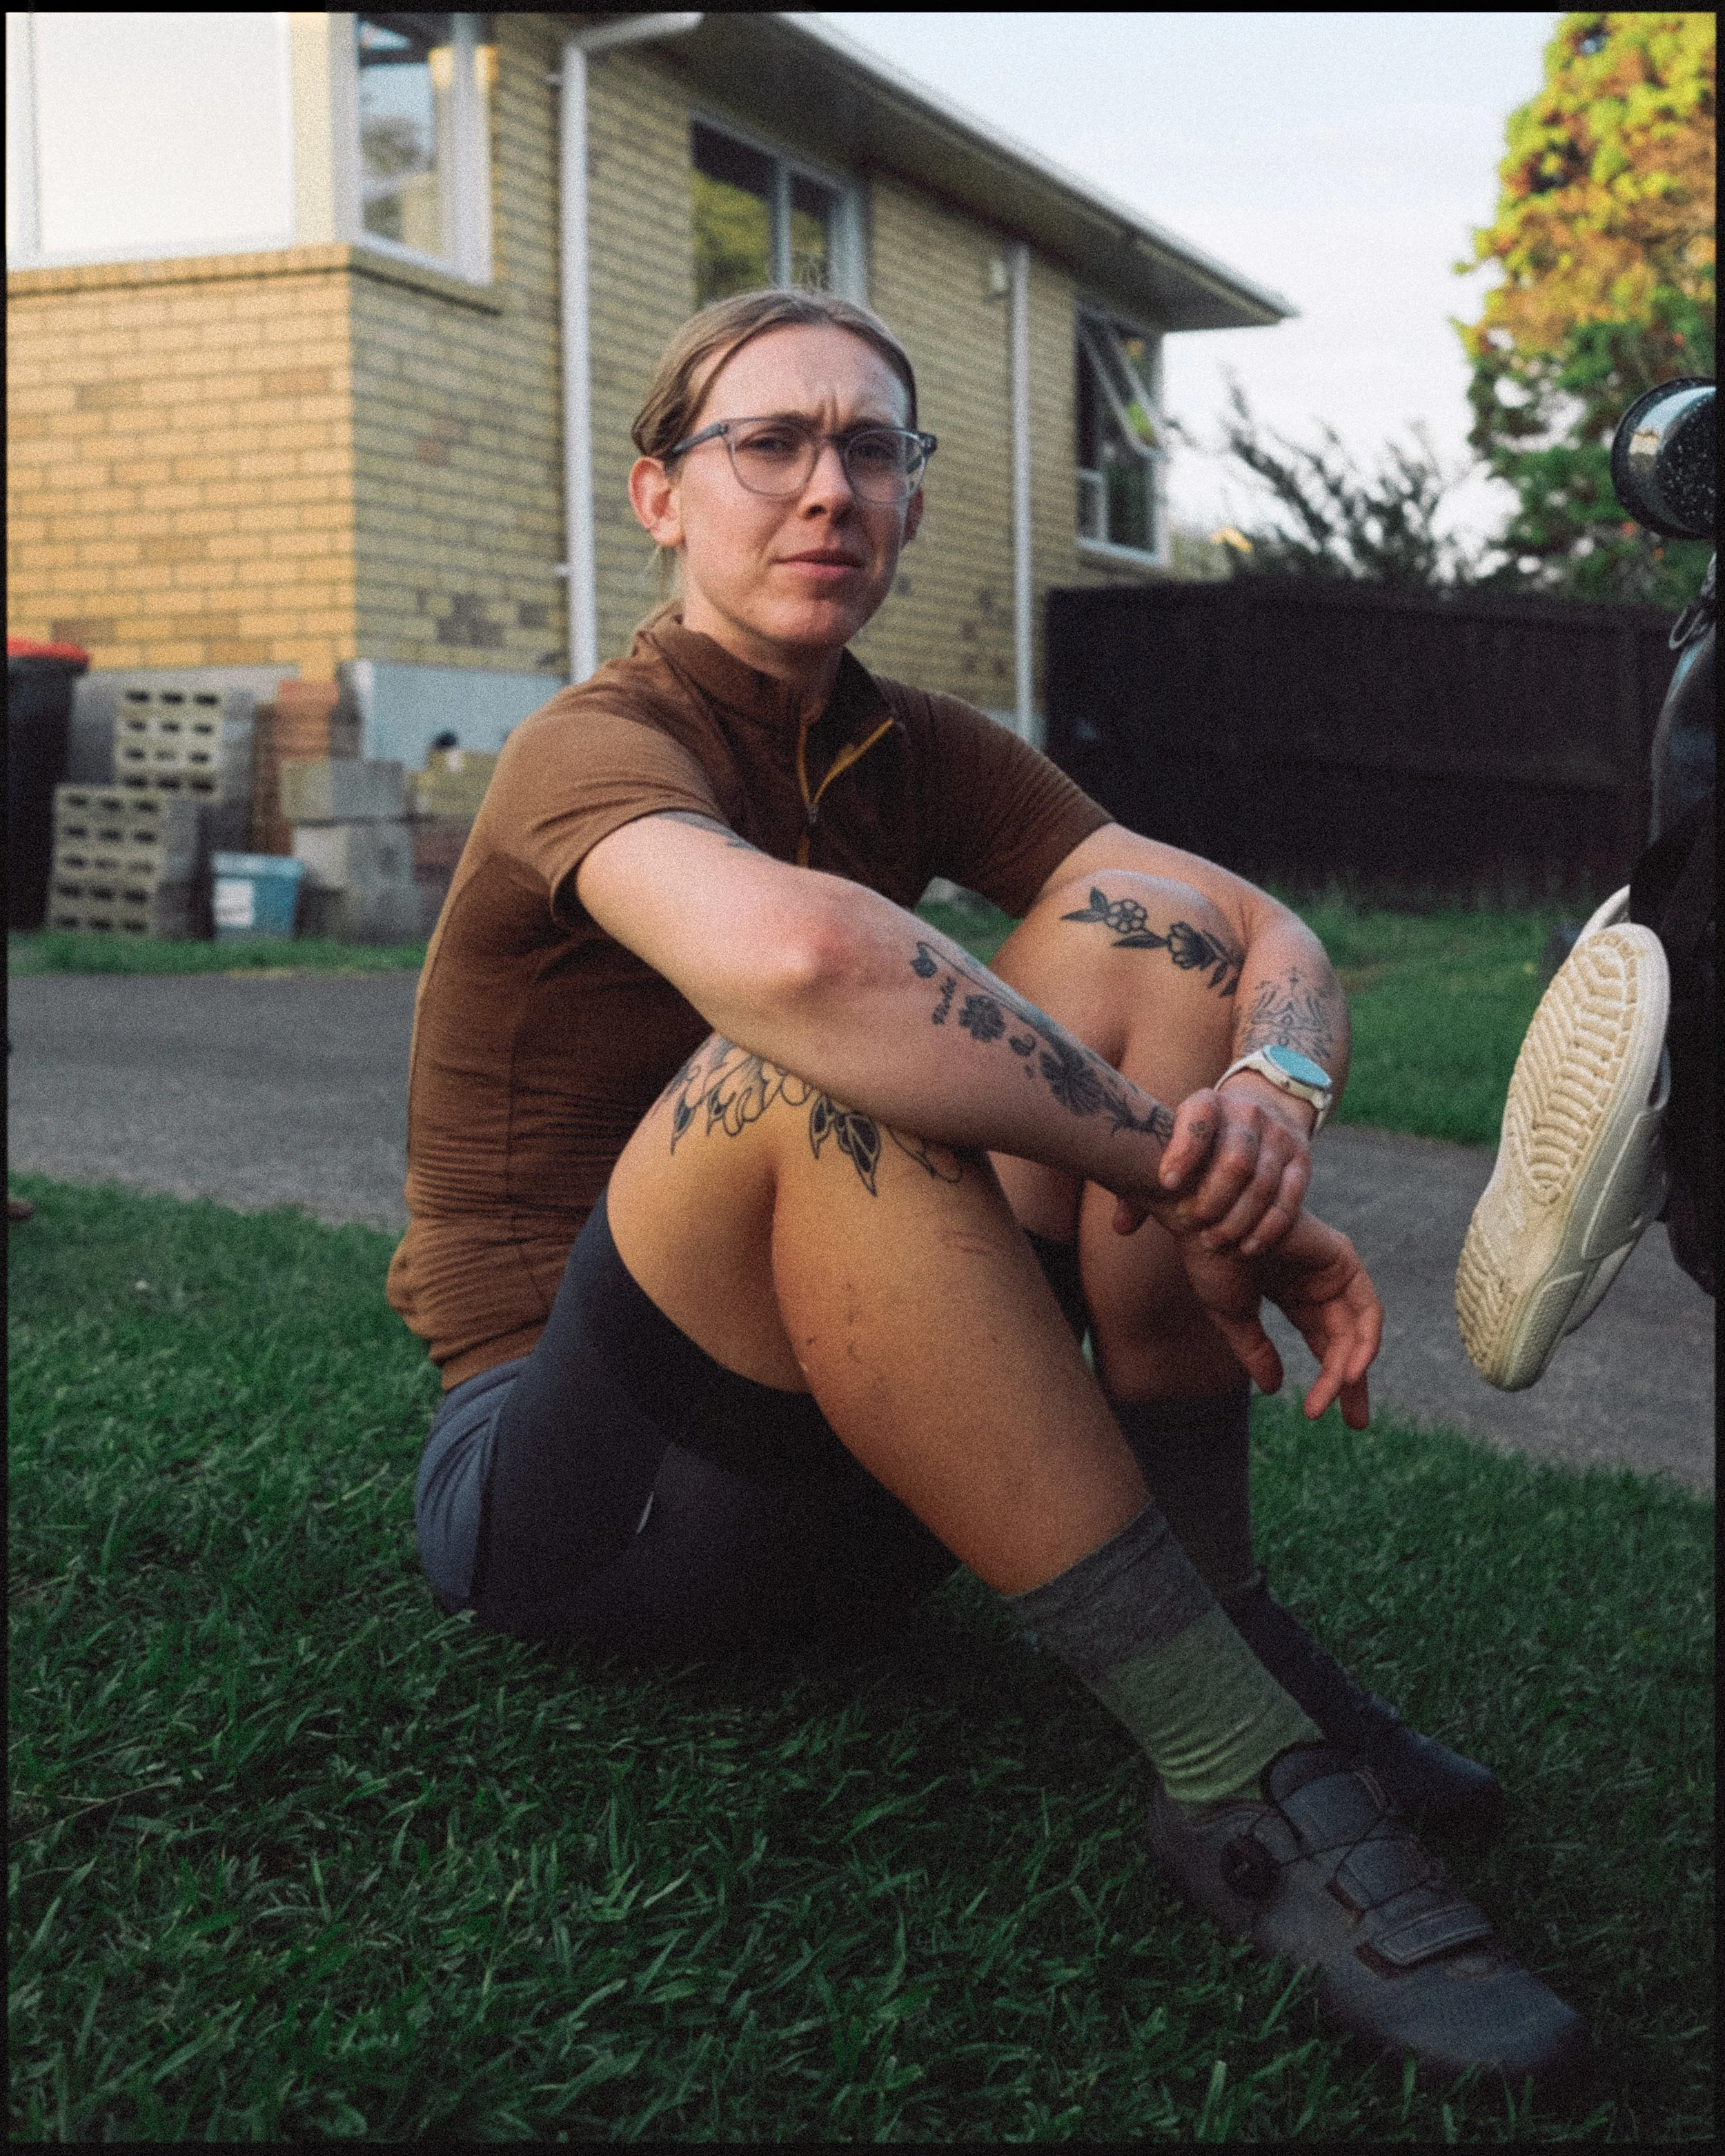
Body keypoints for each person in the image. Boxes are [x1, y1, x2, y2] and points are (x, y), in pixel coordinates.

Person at [389, 288, 1585, 2087]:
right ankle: (1230, 1774)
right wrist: (1180, 1180)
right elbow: (798, 967)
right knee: (800, 1070)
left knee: (1153, 927)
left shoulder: (909, 744)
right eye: (767, 443)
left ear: (915, 501)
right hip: (587, 1500)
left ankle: (1218, 1598)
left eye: (869, 448)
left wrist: (1269, 1088)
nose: (826, 489)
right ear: (659, 495)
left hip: (865, 1482)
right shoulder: (595, 745)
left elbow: (1256, 926)